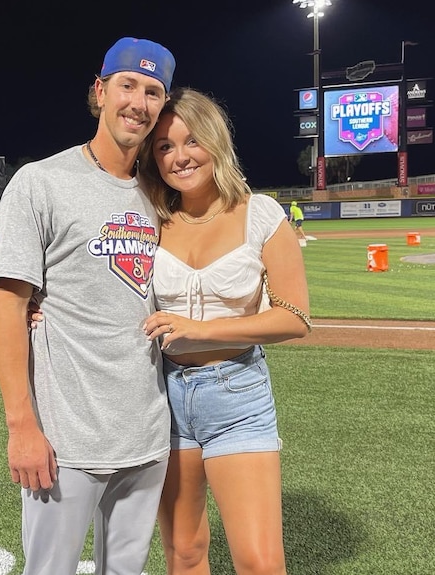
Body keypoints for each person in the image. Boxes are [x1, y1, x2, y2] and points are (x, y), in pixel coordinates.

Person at [0, 37, 176, 575]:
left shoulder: (163, 194)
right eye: (127, 85)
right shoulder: (41, 182)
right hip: (64, 440)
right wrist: (21, 426)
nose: (138, 103)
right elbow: (8, 309)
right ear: (100, 91)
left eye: (153, 92)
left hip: (147, 433)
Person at [138, 87, 312, 575]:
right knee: (184, 551)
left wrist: (201, 330)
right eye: (165, 146)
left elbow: (294, 318)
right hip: (162, 397)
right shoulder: (150, 218)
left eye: (191, 140)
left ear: (215, 140)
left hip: (236, 394)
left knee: (259, 561)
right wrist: (42, 306)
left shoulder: (261, 214)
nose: (179, 157)